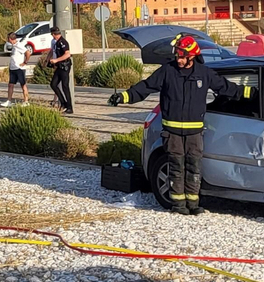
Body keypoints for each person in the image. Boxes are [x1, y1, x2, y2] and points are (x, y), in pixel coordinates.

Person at [108, 34, 252, 215]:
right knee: (176, 167)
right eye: (178, 55)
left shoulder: (204, 73)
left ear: (192, 56)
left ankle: (193, 204)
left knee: (194, 167)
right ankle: (178, 205)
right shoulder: (167, 71)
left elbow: (227, 88)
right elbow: (145, 87)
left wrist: (250, 93)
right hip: (173, 133)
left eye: (182, 56)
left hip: (194, 134)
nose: (179, 59)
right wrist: (123, 97)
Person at [47, 25, 73, 114]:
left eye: (52, 34)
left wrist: (56, 60)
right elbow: (52, 51)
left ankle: (69, 107)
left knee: (65, 86)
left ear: (54, 34)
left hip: (65, 66)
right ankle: (63, 103)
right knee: (53, 84)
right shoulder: (56, 42)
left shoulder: (63, 42)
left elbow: (67, 54)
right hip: (59, 66)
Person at [2, 32, 31, 107]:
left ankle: (26, 101)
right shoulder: (13, 46)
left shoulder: (19, 45)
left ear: (10, 39)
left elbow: (28, 53)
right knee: (10, 85)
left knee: (23, 85)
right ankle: (9, 101)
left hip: (19, 68)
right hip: (13, 68)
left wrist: (25, 62)